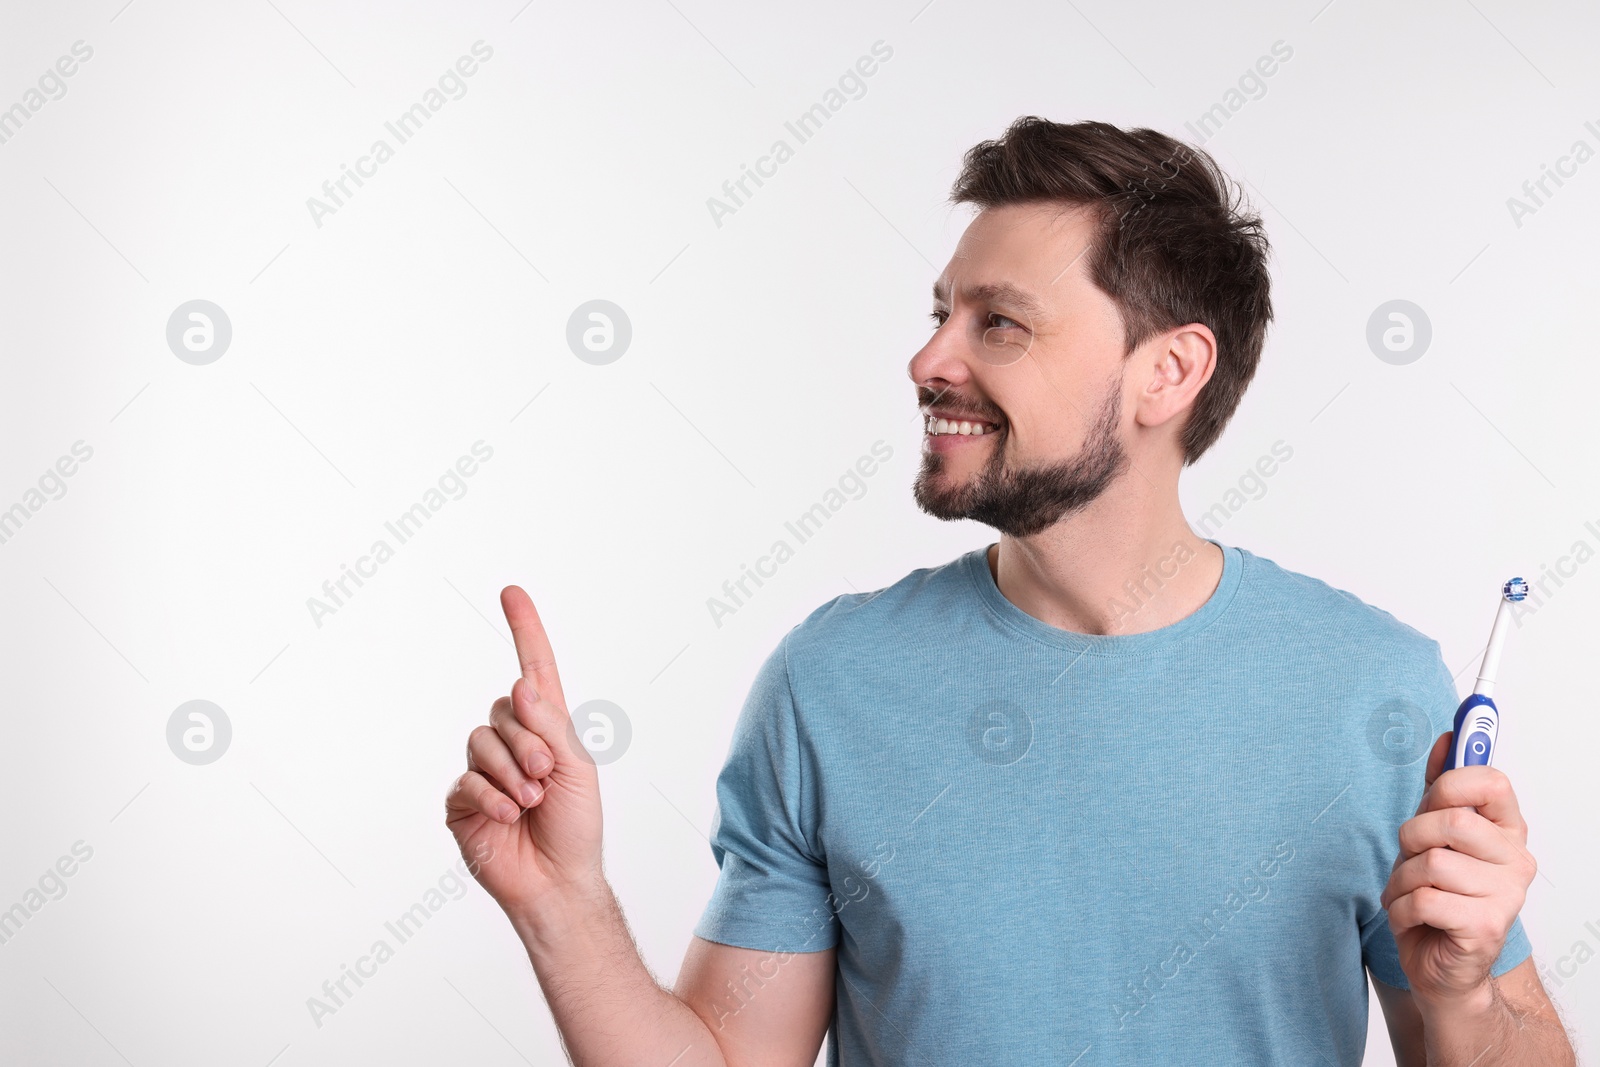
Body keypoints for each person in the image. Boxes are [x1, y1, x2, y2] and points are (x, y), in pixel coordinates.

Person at [444, 117, 1576, 1065]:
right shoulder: (829, 683)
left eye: (999, 321)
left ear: (1167, 373)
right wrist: (563, 904)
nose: (929, 358)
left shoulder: (1370, 692)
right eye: (940, 311)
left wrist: (1471, 999)